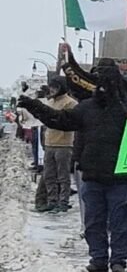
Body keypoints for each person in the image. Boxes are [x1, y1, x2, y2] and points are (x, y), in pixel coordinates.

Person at [20, 59, 127, 272]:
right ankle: (99, 259)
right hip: (93, 174)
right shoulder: (88, 108)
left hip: (119, 175)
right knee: (95, 221)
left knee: (118, 221)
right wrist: (34, 106)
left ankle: (117, 260)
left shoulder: (126, 109)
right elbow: (59, 120)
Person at [35, 78, 77, 213]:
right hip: (49, 143)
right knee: (49, 175)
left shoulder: (70, 103)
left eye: (55, 87)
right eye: (51, 87)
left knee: (63, 176)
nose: (52, 90)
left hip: (64, 145)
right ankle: (52, 200)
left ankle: (63, 201)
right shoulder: (50, 102)